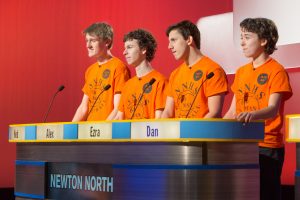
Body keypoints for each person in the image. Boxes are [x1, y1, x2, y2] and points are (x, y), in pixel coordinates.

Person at [223, 18, 293, 200]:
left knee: (266, 194)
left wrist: (251, 115)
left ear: (263, 41)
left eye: (247, 37)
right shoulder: (241, 72)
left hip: (266, 145)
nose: (242, 42)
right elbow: (232, 111)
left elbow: (272, 109)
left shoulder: (276, 70)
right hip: (240, 144)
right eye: (241, 37)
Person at [161, 20, 228, 119]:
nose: (169, 46)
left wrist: (193, 131)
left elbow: (214, 113)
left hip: (202, 133)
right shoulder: (175, 74)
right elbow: (167, 112)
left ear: (189, 40)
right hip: (179, 133)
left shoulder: (213, 70)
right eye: (169, 42)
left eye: (173, 40)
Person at [72, 22, 130, 121]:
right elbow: (83, 108)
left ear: (107, 42)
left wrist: (103, 129)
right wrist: (69, 131)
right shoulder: (90, 70)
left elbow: (118, 109)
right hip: (90, 131)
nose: (88, 45)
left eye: (92, 40)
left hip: (107, 132)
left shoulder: (118, 67)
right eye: (87, 41)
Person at [114, 29, 167, 119]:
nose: (124, 52)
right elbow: (119, 118)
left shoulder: (160, 82)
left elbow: (160, 121)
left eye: (129, 47)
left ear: (143, 49)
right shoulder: (127, 86)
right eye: (125, 48)